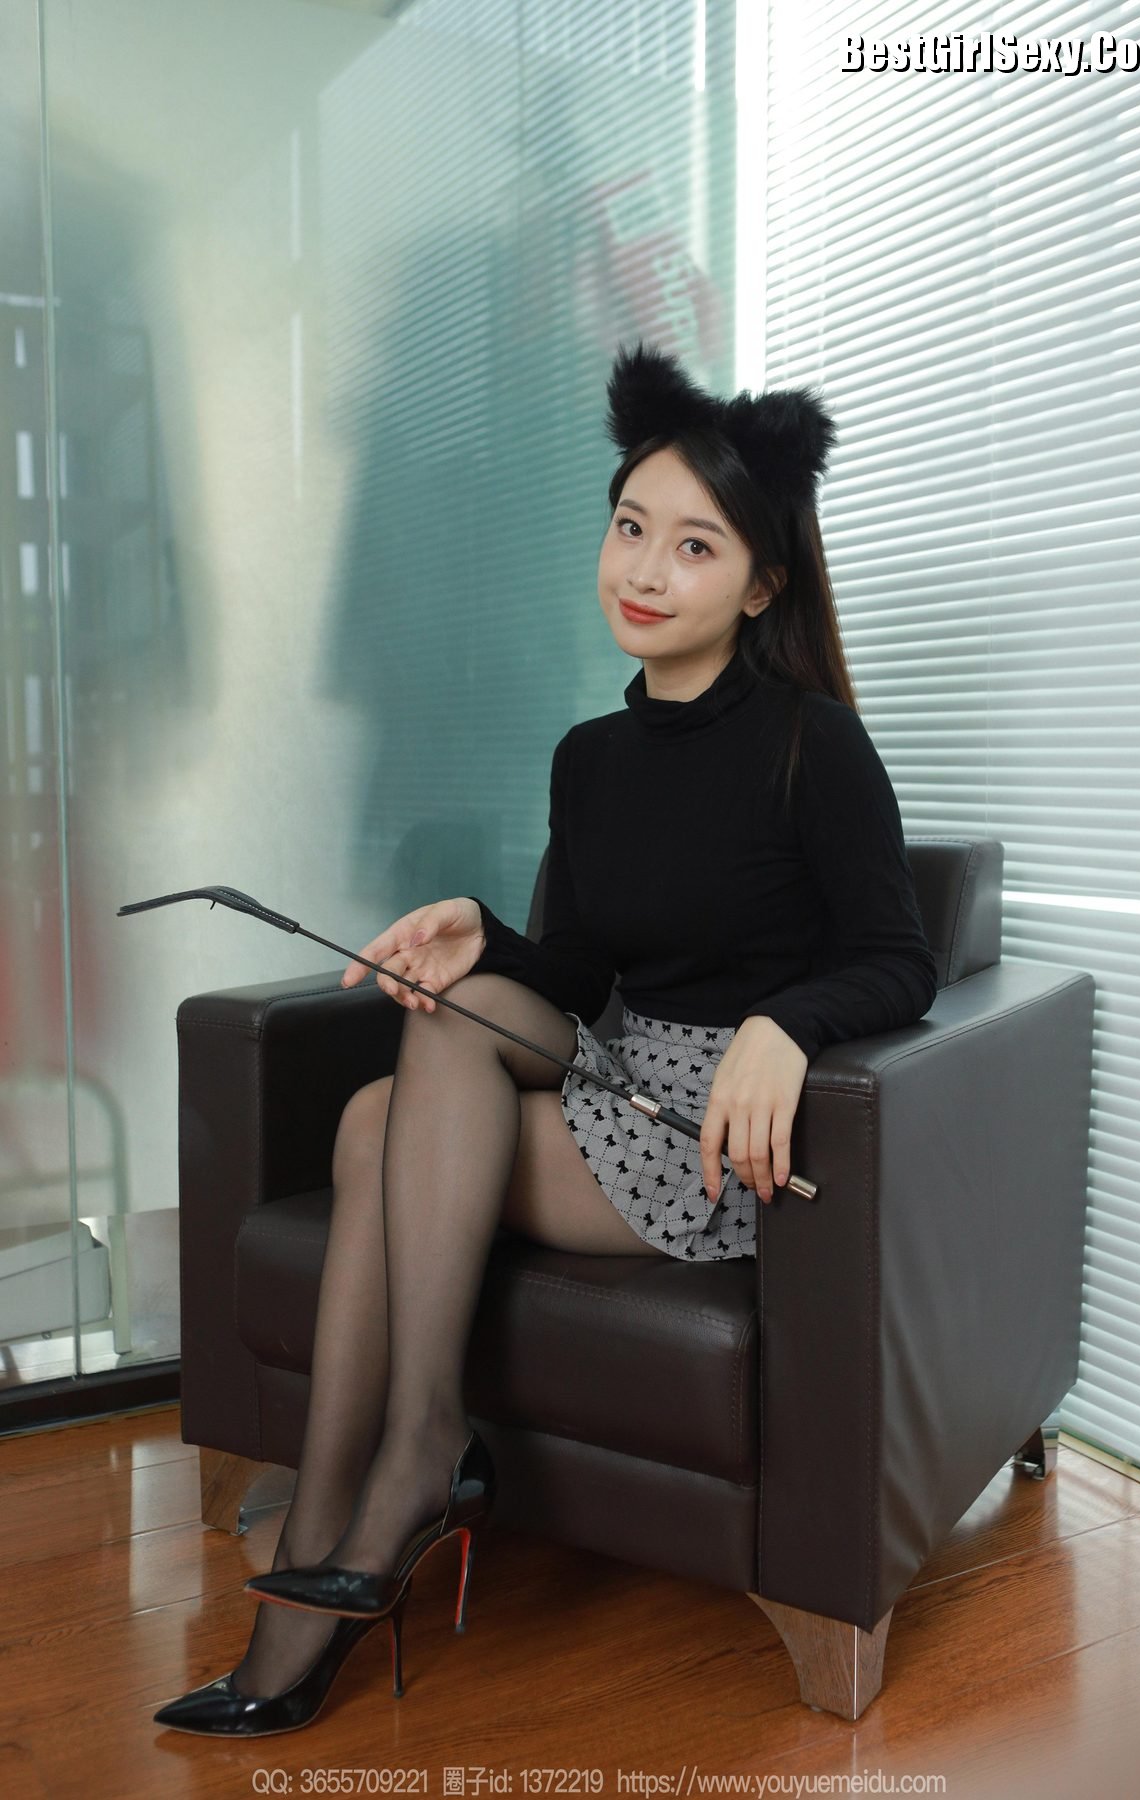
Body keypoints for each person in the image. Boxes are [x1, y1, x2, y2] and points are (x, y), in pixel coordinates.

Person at [152, 341, 938, 1737]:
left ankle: (375, 1500)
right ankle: (368, 1494)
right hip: (612, 1079)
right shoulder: (590, 756)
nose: (646, 569)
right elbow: (575, 975)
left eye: (694, 546)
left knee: (377, 1124)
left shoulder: (813, 746)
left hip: (714, 1136)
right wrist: (482, 929)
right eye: (630, 526)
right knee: (395, 1092)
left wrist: (783, 1025)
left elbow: (899, 957)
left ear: (760, 586)